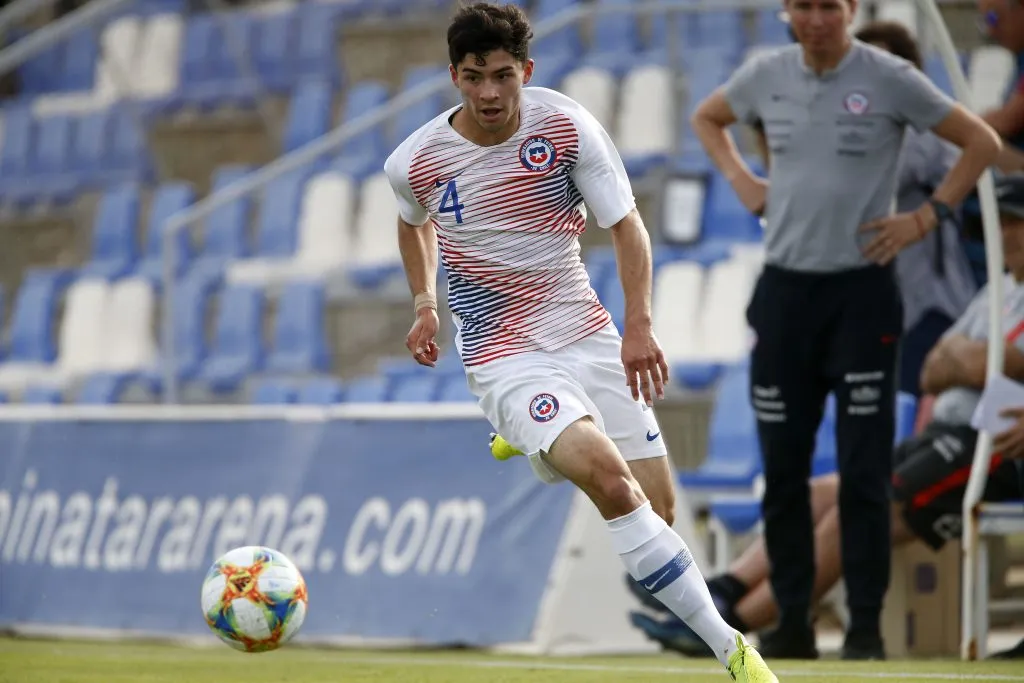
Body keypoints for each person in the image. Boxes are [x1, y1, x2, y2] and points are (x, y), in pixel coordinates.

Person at [384, 4, 778, 681]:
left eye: (502, 76)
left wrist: (639, 326)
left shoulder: (565, 128)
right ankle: (735, 650)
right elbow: (410, 223)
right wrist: (426, 302)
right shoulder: (415, 161)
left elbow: (626, 226)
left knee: (659, 509)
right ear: (453, 75)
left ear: (526, 72)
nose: (488, 94)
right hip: (504, 353)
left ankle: (541, 442)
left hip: (586, 334)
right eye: (473, 76)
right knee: (611, 482)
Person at [689, 0, 1002, 661]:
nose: (817, 19)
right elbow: (707, 117)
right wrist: (745, 180)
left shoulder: (888, 76)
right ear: (786, 12)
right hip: (786, 293)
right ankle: (793, 624)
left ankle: (863, 629)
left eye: (829, 6)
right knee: (783, 470)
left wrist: (927, 217)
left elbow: (982, 142)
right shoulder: (765, 74)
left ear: (851, 10)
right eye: (803, 6)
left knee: (864, 473)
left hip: (862, 295)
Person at [629, 173, 1024, 659]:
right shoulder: (996, 294)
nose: (1002, 232)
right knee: (820, 493)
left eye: (1014, 222)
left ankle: (729, 622)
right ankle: (726, 590)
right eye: (1000, 220)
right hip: (950, 433)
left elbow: (960, 359)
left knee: (867, 504)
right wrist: (987, 361)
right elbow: (934, 369)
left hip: (993, 443)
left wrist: (978, 358)